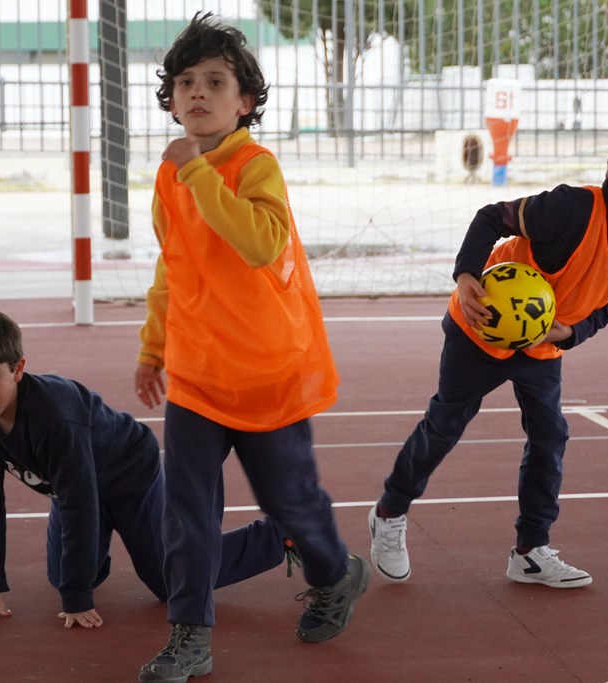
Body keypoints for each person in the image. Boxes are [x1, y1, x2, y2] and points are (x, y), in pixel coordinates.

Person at [133, 12, 368, 682]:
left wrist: (199, 176)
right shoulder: (169, 175)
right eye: (186, 81)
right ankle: (189, 634)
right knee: (186, 511)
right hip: (198, 375)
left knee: (291, 505)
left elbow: (261, 242)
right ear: (172, 98)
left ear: (245, 102)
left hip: (270, 373)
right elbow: (173, 266)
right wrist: (153, 345)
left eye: (215, 81)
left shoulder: (253, 165)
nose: (198, 92)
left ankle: (334, 572)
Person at [368, 119, 608, 588]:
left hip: (542, 345)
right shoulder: (572, 207)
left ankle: (530, 550)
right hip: (480, 332)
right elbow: (491, 216)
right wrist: (466, 277)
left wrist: (574, 333)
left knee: (549, 436)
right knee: (445, 425)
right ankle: (389, 512)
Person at [0, 301, 288, 630]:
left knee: (169, 582)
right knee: (64, 576)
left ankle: (280, 536)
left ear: (18, 369)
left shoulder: (55, 417)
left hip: (129, 473)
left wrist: (76, 600)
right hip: (76, 483)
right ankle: (93, 556)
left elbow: (79, 503)